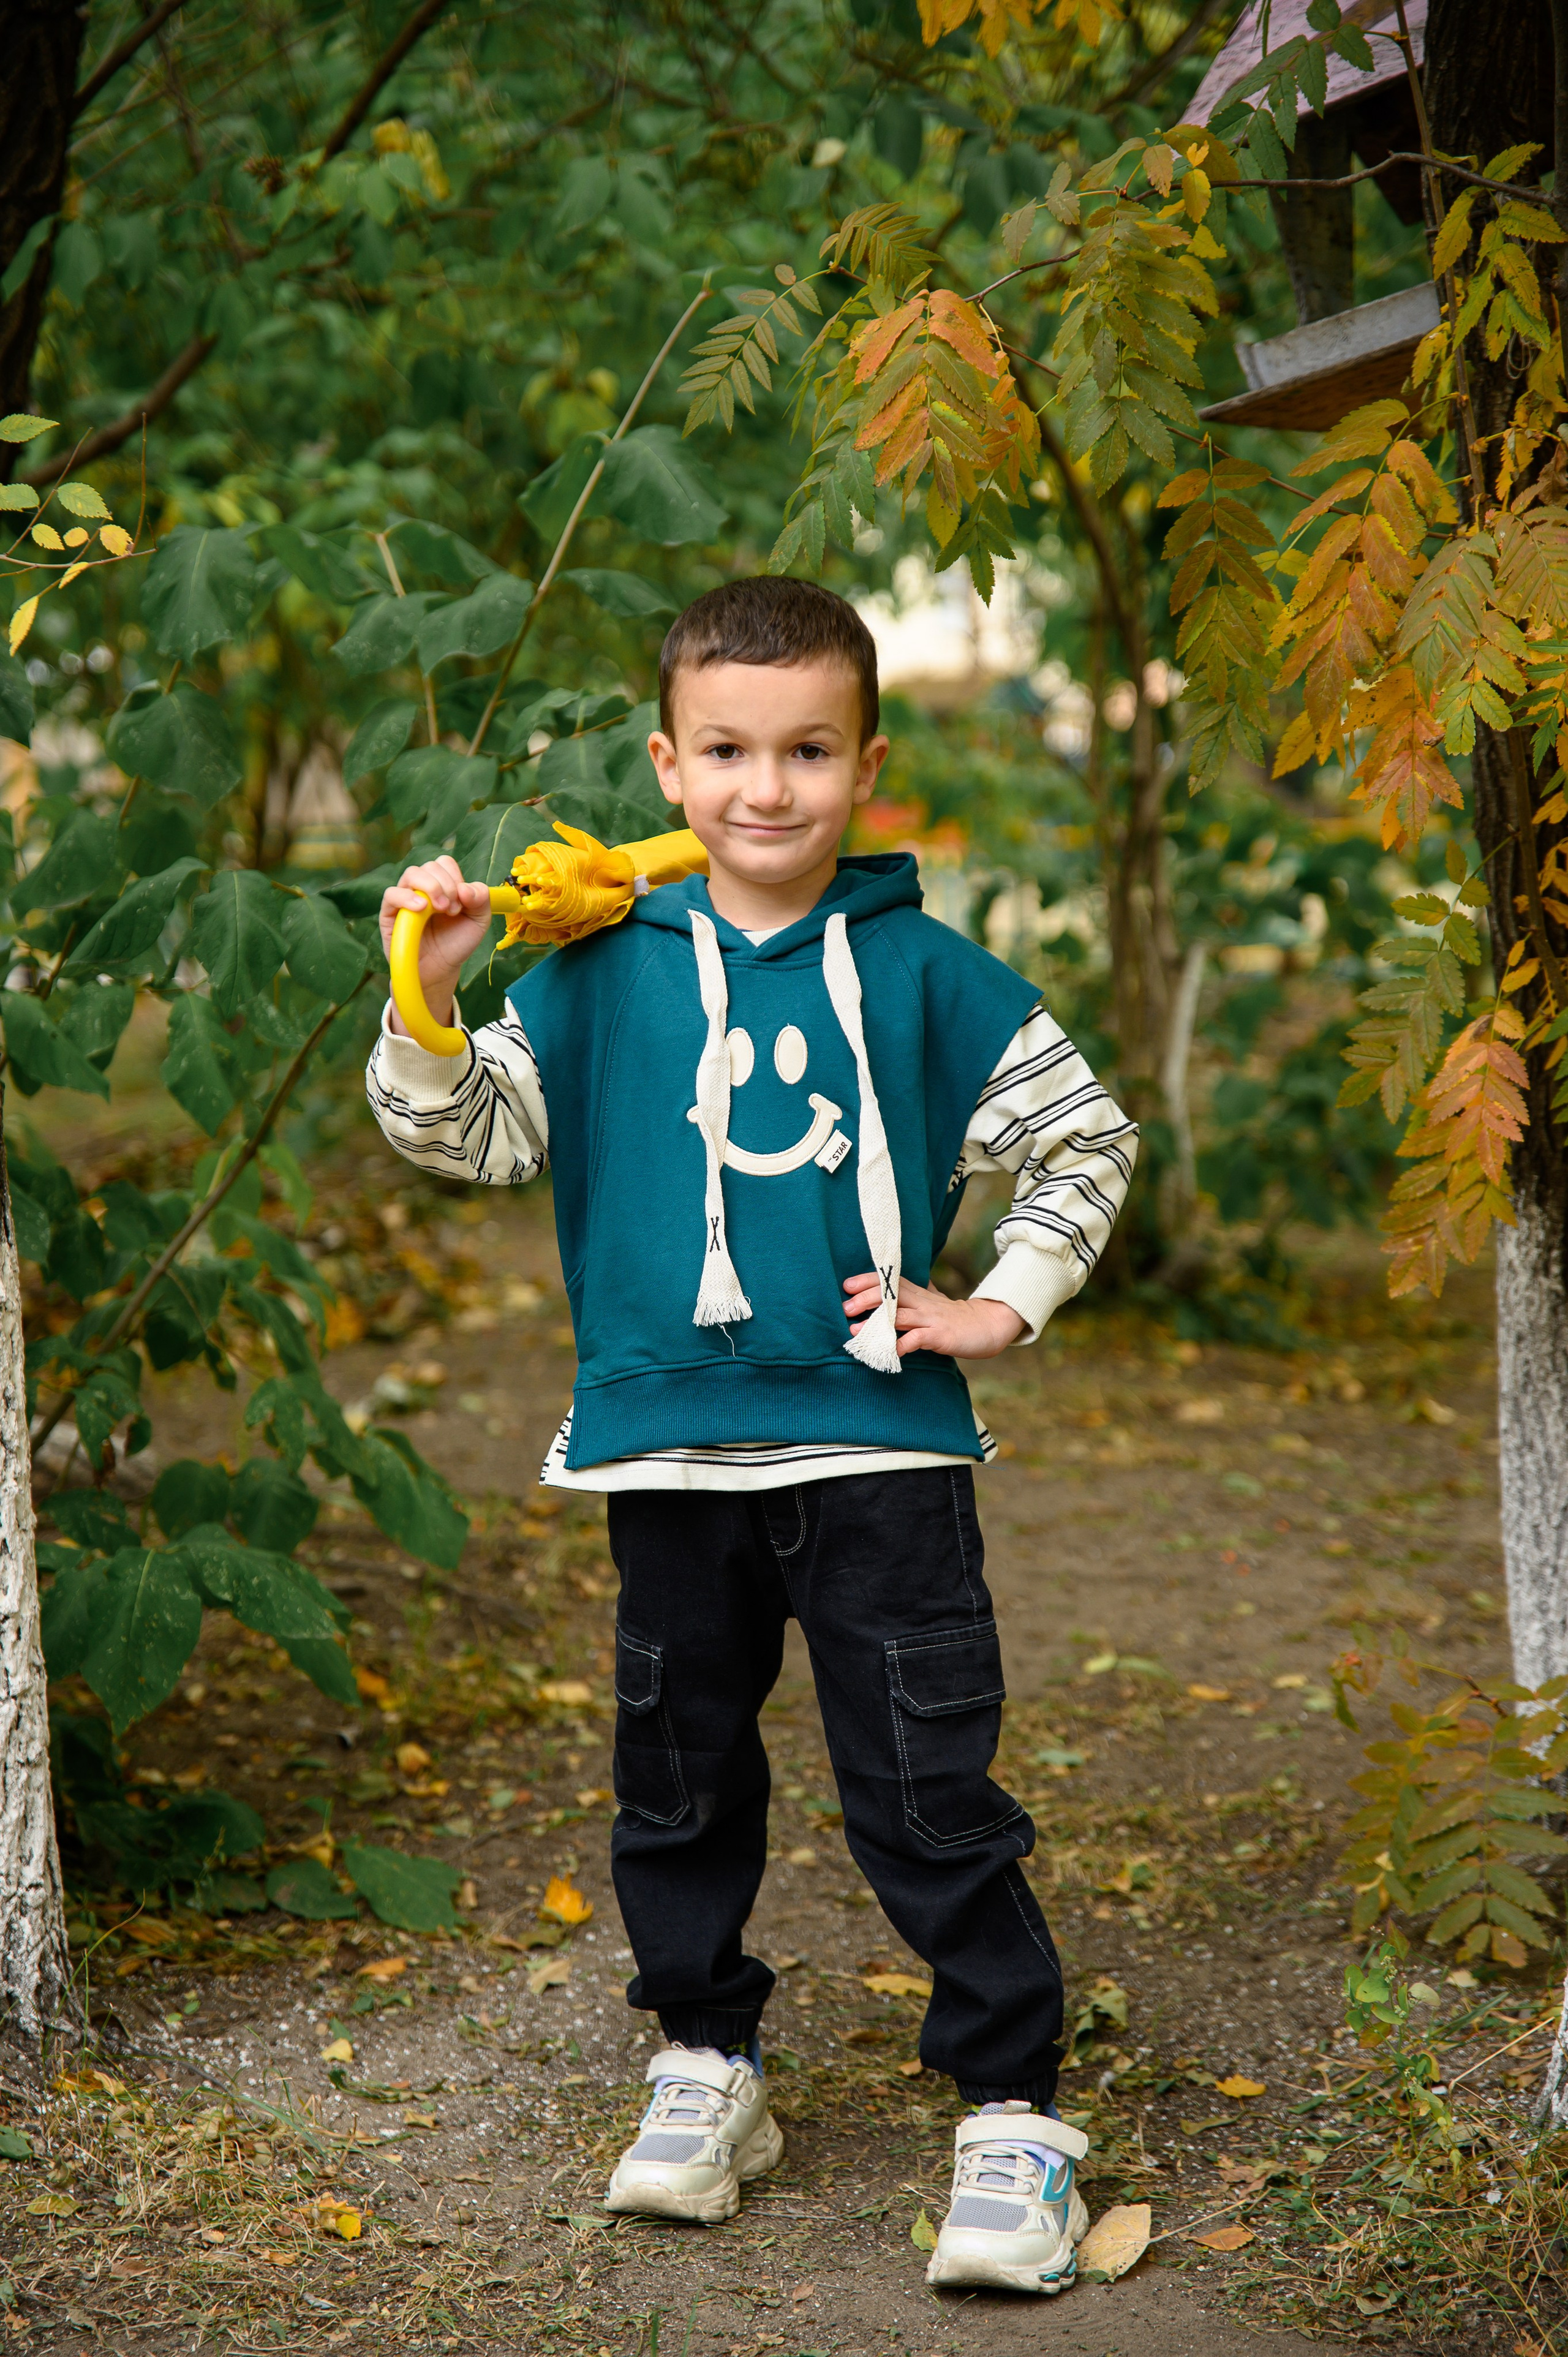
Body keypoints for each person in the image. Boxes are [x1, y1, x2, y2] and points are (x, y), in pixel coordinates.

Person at [368, 577, 1136, 2295]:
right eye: (726, 751)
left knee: (929, 1791)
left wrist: (999, 1304)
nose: (765, 791)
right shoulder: (589, 977)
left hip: (877, 1460)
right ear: (668, 764)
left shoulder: (929, 974)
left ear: (868, 764)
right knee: (679, 1778)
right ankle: (706, 2060)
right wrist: (429, 998)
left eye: (805, 752)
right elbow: (470, 1140)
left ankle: (1014, 2111)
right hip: (670, 1453)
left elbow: (1085, 1139)